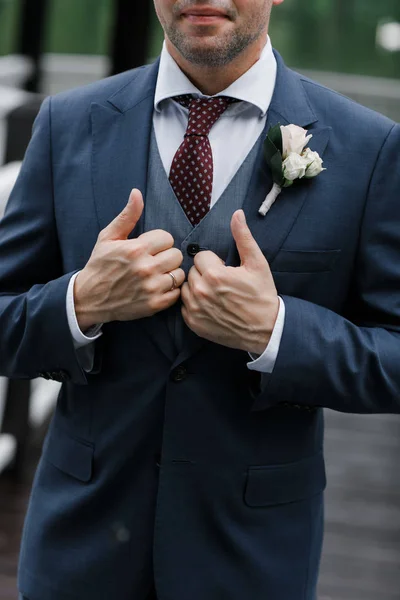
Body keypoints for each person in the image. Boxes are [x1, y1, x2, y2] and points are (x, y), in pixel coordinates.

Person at [0, 0, 399, 599]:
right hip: (77, 553)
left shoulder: (371, 149)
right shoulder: (66, 123)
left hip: (252, 558)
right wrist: (79, 302)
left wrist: (278, 333)